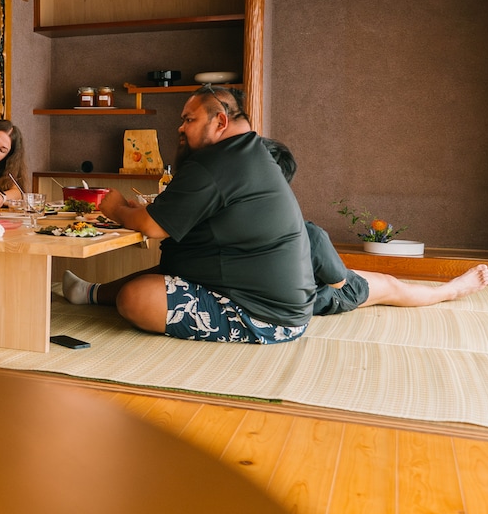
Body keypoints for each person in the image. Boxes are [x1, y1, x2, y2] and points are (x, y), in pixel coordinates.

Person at [63, 84, 314, 344]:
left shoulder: (218, 161)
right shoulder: (247, 153)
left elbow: (153, 226)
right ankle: (90, 293)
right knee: (165, 275)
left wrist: (116, 209)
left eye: (189, 119)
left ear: (220, 121)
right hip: (273, 304)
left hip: (261, 316)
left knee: (138, 296)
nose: (180, 128)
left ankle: (91, 293)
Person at [262, 138, 488, 314]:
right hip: (312, 298)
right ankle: (450, 291)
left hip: (260, 293)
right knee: (390, 285)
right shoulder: (309, 234)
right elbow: (338, 282)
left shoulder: (229, 217)